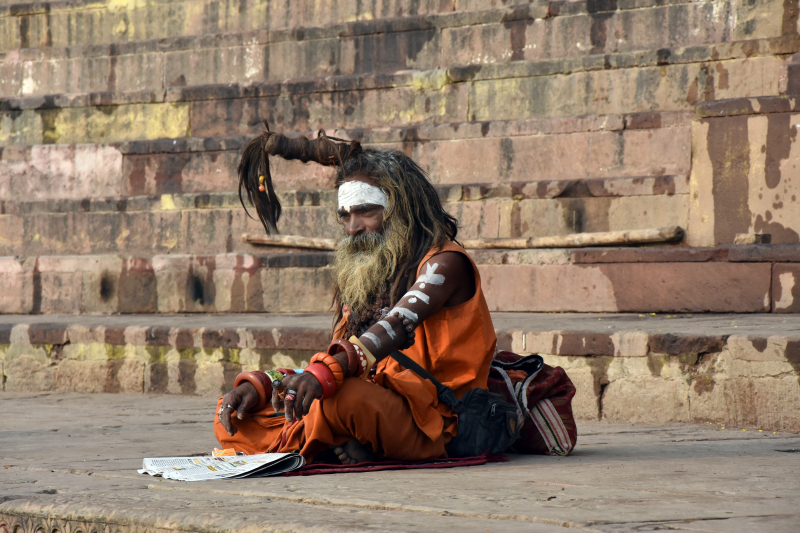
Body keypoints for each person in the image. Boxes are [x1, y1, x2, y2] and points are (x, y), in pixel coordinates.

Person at [215, 126, 576, 463]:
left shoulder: (445, 263)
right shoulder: (366, 275)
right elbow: (334, 364)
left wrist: (320, 378)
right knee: (235, 412)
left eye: (366, 211)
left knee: (342, 399)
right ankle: (345, 440)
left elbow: (392, 327)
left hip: (434, 419)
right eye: (345, 215)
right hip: (374, 400)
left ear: (400, 207)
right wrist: (268, 385)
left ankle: (349, 440)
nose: (353, 227)